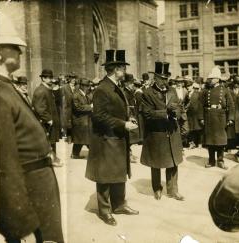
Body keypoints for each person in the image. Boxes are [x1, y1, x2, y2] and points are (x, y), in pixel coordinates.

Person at [0, 11, 64, 242]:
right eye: (14, 47)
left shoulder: (7, 86)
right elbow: (3, 165)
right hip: (30, 197)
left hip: (39, 191)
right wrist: (19, 223)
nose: (21, 51)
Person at [86, 49, 139, 226]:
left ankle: (119, 205)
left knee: (119, 172)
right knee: (106, 175)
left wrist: (127, 119)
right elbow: (99, 116)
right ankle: (104, 211)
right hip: (106, 139)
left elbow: (116, 110)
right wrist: (123, 124)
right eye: (123, 68)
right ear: (115, 69)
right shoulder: (103, 88)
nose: (125, 71)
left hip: (116, 137)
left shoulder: (116, 87)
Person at [141, 61, 184, 201]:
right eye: (162, 78)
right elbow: (147, 114)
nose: (165, 81)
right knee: (156, 162)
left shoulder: (172, 91)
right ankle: (157, 188)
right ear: (155, 78)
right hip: (156, 133)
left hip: (172, 132)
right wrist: (166, 113)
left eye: (166, 78)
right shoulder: (147, 93)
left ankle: (173, 190)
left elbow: (179, 107)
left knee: (173, 161)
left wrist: (176, 113)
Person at [198, 66, 235, 169]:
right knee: (210, 141)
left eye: (213, 78)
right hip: (209, 117)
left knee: (220, 141)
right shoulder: (206, 91)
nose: (211, 80)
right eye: (211, 78)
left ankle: (220, 160)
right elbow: (200, 104)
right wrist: (201, 117)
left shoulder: (225, 90)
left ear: (218, 79)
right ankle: (211, 161)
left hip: (220, 118)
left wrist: (230, 118)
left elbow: (231, 105)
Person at [32, 69, 63, 167]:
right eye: (48, 78)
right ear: (43, 78)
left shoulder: (47, 89)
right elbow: (40, 108)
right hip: (46, 123)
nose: (50, 80)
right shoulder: (41, 90)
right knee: (47, 141)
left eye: (51, 77)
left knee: (51, 141)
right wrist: (48, 119)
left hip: (50, 122)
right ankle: (49, 160)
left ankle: (52, 158)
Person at [71, 78, 93, 159]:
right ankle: (75, 154)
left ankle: (75, 154)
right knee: (80, 138)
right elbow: (77, 108)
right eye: (87, 86)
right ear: (82, 86)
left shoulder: (85, 94)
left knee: (81, 138)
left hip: (86, 120)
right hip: (79, 120)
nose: (88, 88)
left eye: (88, 86)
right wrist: (90, 107)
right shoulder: (76, 95)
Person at [61, 72, 77, 143]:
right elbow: (63, 100)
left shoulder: (77, 87)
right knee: (69, 123)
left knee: (76, 123)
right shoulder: (65, 87)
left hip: (77, 107)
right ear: (69, 79)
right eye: (72, 78)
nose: (73, 79)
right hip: (68, 108)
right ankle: (69, 137)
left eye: (74, 78)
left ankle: (75, 138)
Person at [187, 82, 203, 149]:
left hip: (195, 114)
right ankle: (195, 143)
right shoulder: (188, 94)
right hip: (193, 114)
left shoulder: (195, 94)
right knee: (194, 129)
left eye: (189, 86)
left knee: (196, 129)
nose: (188, 87)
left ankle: (198, 143)